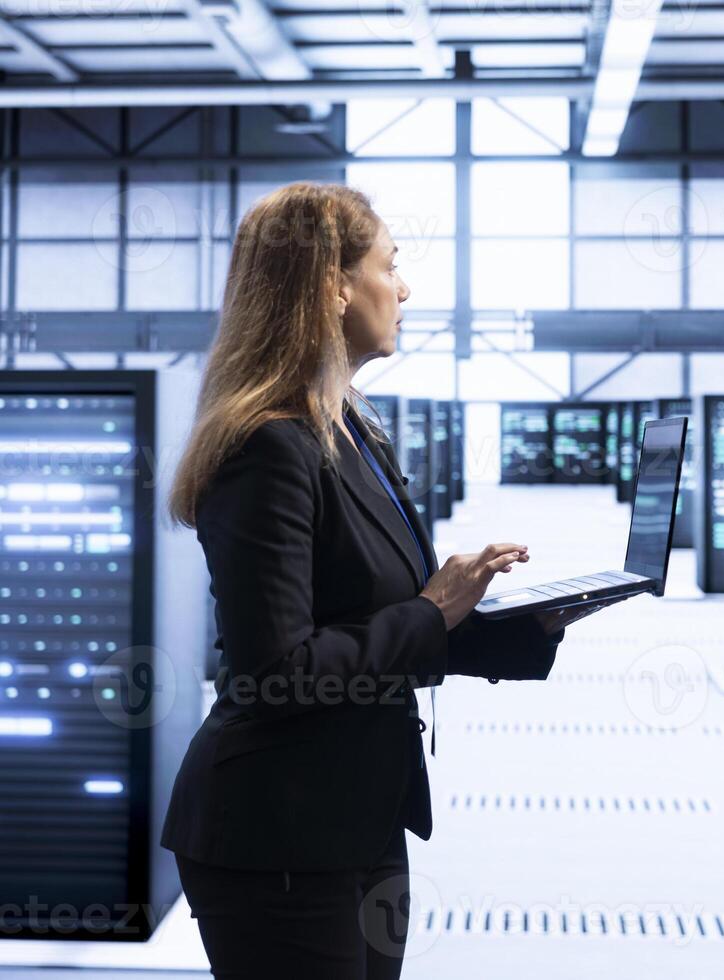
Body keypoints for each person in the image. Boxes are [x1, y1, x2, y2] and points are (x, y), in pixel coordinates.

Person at [161, 182, 599, 978]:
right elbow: (278, 673)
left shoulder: (351, 424)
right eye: (389, 266)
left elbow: (382, 626)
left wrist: (522, 628)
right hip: (276, 831)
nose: (404, 288)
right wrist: (436, 607)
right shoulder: (271, 448)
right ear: (331, 285)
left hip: (357, 815)